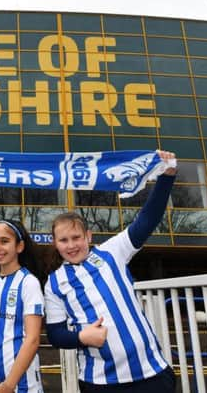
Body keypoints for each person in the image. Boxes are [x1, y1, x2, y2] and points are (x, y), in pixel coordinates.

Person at [44, 150, 177, 393]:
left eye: (77, 237)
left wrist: (166, 176)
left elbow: (147, 219)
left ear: (88, 236)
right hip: (100, 383)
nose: (71, 245)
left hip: (151, 374)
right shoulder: (54, 283)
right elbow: (55, 334)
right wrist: (81, 338)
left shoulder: (111, 252)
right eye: (64, 240)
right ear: (55, 243)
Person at [0, 219, 45, 393]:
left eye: (4, 241)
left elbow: (33, 339)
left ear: (19, 246)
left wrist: (9, 384)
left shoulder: (29, 283)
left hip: (19, 384)